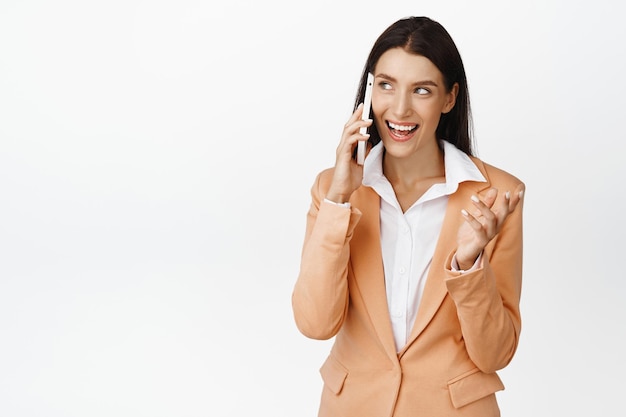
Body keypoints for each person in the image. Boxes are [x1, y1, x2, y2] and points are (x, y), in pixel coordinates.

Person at [292, 16, 525, 417]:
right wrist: (339, 201)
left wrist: (468, 266)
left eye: (421, 90)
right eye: (386, 85)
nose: (399, 109)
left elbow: (495, 354)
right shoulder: (332, 190)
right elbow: (315, 324)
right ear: (368, 92)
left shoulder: (497, 196)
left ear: (449, 98)